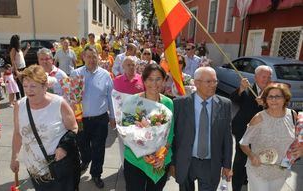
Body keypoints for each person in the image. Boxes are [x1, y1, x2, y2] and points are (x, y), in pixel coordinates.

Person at [10, 65, 80, 191]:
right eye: (25, 86)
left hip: (59, 167)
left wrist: (64, 147)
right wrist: (14, 157)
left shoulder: (59, 103)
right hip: (34, 168)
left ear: (44, 86)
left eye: (33, 86)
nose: (28, 90)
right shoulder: (19, 106)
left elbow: (74, 127)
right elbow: (17, 133)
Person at [172, 67, 233, 191]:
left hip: (210, 164)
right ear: (197, 83)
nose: (213, 85)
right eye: (208, 82)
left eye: (215, 81)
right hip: (186, 162)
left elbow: (227, 137)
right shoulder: (179, 104)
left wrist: (227, 165)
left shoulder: (225, 104)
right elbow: (173, 136)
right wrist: (172, 163)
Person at [123, 63, 174, 191]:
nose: (154, 83)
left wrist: (162, 154)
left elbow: (170, 133)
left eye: (158, 79)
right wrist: (142, 151)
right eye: (150, 79)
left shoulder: (168, 103)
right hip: (136, 159)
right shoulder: (132, 101)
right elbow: (125, 131)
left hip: (159, 160)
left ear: (164, 81)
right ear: (144, 81)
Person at [70, 46, 115, 189]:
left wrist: (113, 116)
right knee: (82, 145)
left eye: (94, 56)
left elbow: (111, 97)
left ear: (98, 57)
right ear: (83, 57)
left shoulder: (106, 75)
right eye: (88, 56)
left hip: (100, 119)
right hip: (80, 119)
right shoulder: (75, 74)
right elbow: (70, 96)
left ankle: (96, 174)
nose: (91, 59)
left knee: (99, 148)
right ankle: (86, 159)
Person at [240, 83, 296, 191]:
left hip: (282, 168)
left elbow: (297, 141)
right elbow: (243, 143)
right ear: (266, 99)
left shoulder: (292, 115)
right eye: (270, 96)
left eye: (278, 96)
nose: (274, 100)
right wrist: (252, 156)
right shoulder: (259, 118)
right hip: (259, 169)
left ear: (285, 98)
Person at [231, 65, 272, 191]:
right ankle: (237, 186)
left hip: (262, 134)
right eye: (263, 76)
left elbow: (278, 110)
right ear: (256, 77)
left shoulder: (272, 92)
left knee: (256, 160)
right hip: (243, 131)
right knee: (240, 160)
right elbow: (234, 99)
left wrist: (266, 105)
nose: (266, 80)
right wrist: (241, 89)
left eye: (268, 77)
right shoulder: (248, 88)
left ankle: (247, 181)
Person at [10, 34, 30, 99]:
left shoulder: (18, 49)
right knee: (19, 85)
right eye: (19, 39)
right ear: (16, 41)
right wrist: (16, 71)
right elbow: (12, 60)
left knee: (23, 83)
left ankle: (23, 97)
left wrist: (27, 49)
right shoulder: (13, 49)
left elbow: (22, 57)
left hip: (23, 68)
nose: (20, 40)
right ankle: (19, 98)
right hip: (18, 69)